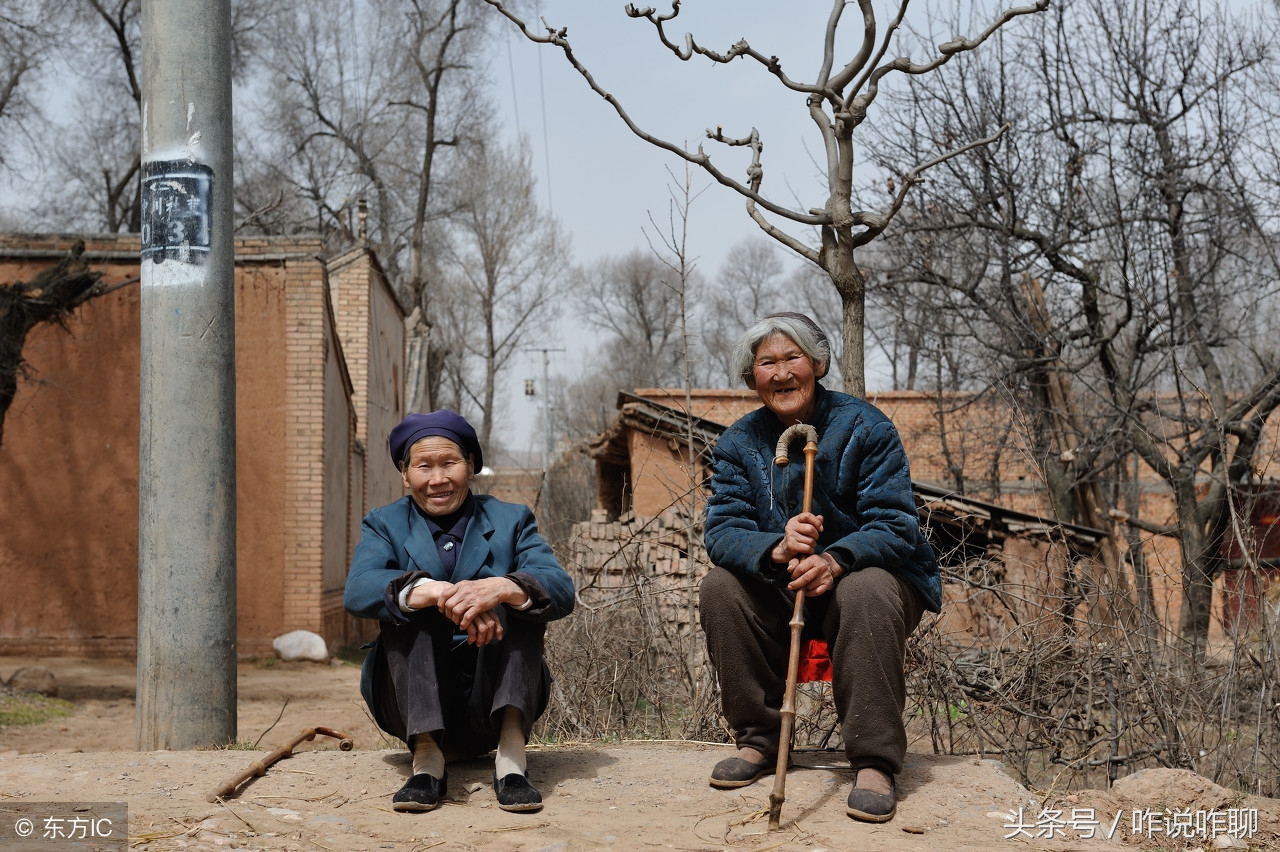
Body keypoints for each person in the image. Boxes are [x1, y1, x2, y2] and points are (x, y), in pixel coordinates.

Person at [700, 313, 941, 823]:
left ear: (819, 364)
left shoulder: (866, 427)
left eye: (793, 358)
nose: (782, 372)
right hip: (783, 584)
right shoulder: (738, 445)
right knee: (720, 588)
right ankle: (760, 741)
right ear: (751, 378)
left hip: (870, 578)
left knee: (866, 591)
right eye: (768, 362)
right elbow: (722, 532)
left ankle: (874, 761)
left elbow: (896, 525)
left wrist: (836, 558)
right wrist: (775, 548)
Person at [344, 410, 575, 814]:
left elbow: (559, 588)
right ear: (404, 473)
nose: (438, 479)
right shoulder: (384, 523)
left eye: (450, 463)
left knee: (521, 592)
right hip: (409, 698)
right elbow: (359, 588)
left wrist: (502, 588)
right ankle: (427, 758)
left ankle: (511, 755)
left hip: (494, 692)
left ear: (470, 466)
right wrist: (435, 591)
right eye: (423, 466)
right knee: (405, 600)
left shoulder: (511, 519)